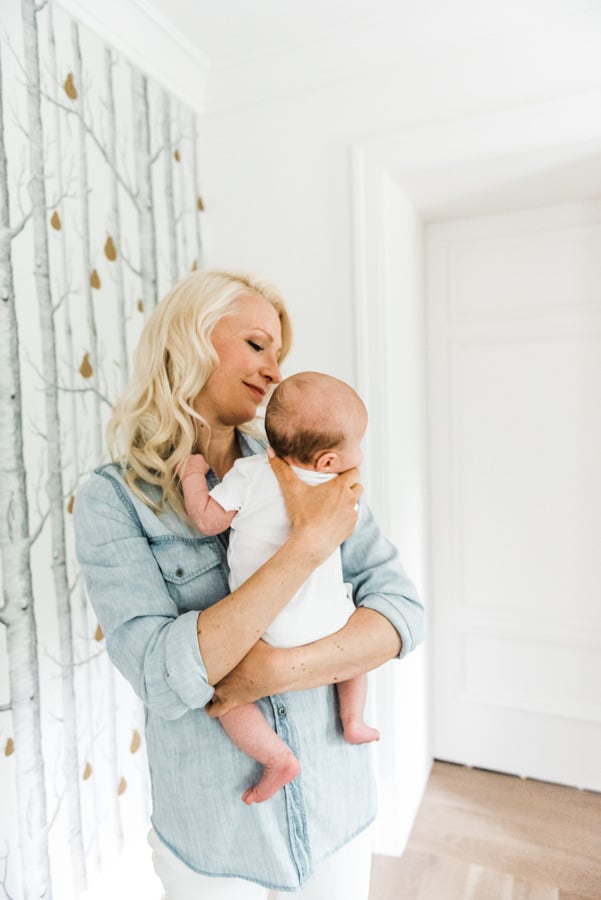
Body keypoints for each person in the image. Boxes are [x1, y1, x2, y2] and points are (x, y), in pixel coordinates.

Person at [74, 270, 424, 900]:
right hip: (218, 840)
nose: (274, 368)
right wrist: (308, 546)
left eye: (280, 353)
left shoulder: (313, 465)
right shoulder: (114, 500)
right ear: (190, 339)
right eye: (257, 344)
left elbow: (400, 612)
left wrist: (282, 670)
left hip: (335, 808)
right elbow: (159, 676)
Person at [179, 371, 380, 806]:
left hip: (265, 630)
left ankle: (276, 759)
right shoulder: (338, 489)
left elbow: (208, 520)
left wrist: (194, 476)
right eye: (358, 444)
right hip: (332, 623)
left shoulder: (249, 473)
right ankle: (353, 718)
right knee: (357, 658)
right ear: (327, 461)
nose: (360, 455)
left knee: (226, 697)